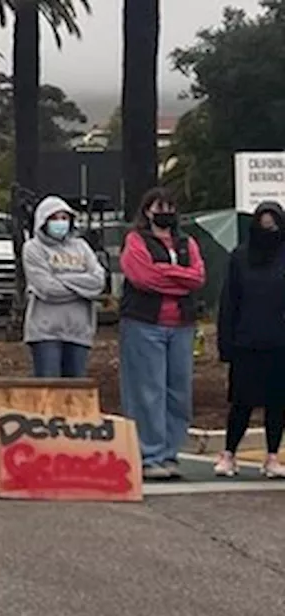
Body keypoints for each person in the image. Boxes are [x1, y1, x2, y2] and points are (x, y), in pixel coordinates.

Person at [118, 187, 206, 481]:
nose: (165, 211)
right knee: (147, 390)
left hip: (181, 325)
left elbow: (198, 277)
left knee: (178, 392)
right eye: (159, 206)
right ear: (147, 210)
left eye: (170, 206)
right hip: (144, 324)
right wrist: (179, 278)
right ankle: (149, 454)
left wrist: (166, 273)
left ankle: (170, 453)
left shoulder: (187, 242)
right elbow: (142, 278)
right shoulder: (135, 240)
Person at [214, 201, 285, 478]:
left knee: (277, 403)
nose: (269, 230)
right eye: (264, 224)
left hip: (280, 343)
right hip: (246, 341)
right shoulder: (240, 257)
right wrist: (226, 343)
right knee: (241, 402)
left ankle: (272, 457)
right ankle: (229, 454)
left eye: (274, 225)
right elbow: (229, 303)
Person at [21, 195, 107, 377]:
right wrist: (82, 287)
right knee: (49, 393)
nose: (60, 223)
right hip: (45, 333)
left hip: (79, 331)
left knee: (76, 393)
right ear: (43, 221)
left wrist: (61, 278)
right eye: (54, 218)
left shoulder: (82, 246)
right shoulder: (33, 248)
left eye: (64, 218)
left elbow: (98, 282)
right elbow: (47, 289)